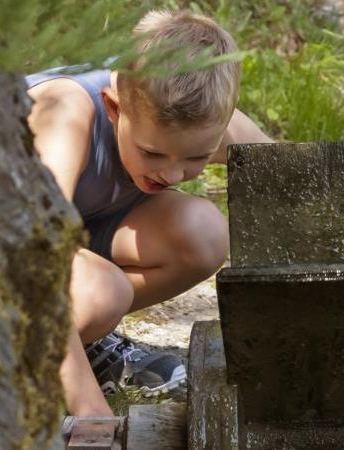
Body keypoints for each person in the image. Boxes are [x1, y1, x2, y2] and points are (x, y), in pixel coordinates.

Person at [25, 10, 272, 416]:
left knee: (204, 234)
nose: (173, 173)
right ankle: (6, 358)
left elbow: (293, 175)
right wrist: (91, 411)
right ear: (113, 107)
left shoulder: (199, 116)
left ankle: (77, 340)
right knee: (101, 292)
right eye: (152, 152)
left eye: (197, 157)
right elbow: (31, 259)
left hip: (71, 237)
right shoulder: (65, 115)